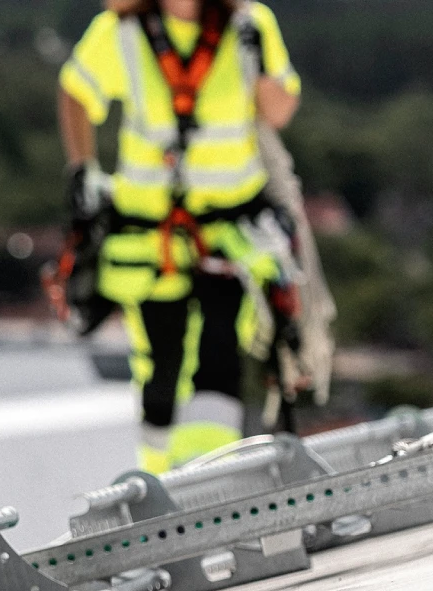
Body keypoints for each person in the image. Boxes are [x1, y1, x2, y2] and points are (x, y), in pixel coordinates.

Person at [57, 0, 306, 473]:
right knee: (161, 367)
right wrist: (82, 170)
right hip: (153, 236)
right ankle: (161, 477)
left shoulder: (250, 26)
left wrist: (263, 66)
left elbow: (279, 111)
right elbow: (74, 92)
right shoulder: (122, 32)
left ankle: (209, 477)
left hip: (227, 230)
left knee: (218, 355)